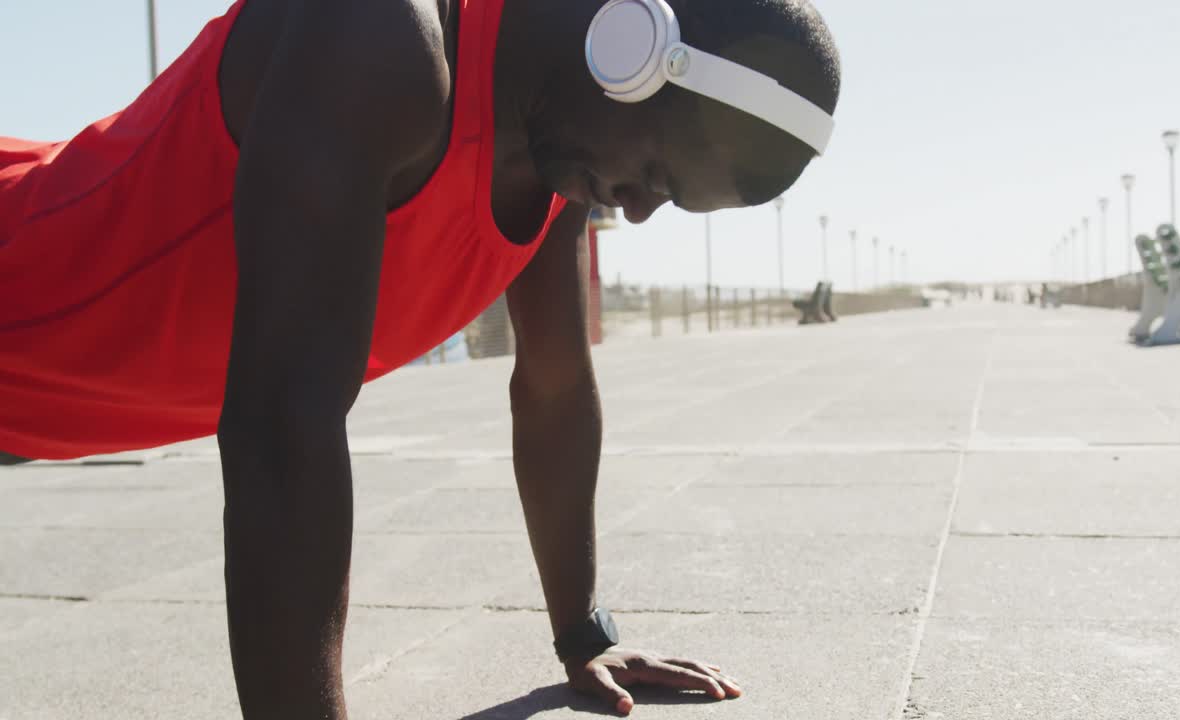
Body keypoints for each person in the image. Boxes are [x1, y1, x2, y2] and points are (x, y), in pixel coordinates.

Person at [0, 0, 840, 716]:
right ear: (629, 41)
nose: (641, 208)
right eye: (656, 170)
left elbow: (552, 386)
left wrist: (583, 634)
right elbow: (281, 427)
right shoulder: (374, 39)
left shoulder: (559, 161)